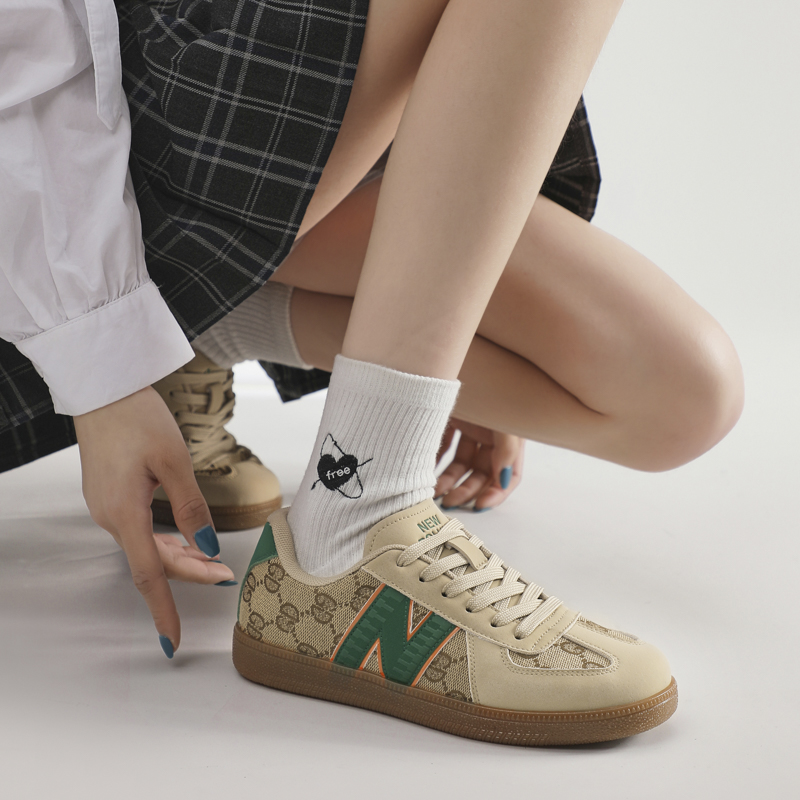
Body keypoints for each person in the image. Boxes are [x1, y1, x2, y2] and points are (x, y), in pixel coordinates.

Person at [0, 0, 744, 744]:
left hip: (312, 129)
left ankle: (207, 333)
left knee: (682, 397)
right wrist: (98, 358)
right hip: (105, 157)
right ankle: (354, 521)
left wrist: (440, 323)